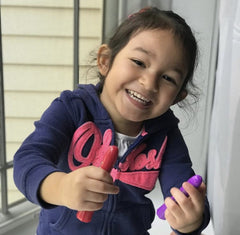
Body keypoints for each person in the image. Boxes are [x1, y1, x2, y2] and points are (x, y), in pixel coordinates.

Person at [13, 7, 210, 235]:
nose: (149, 83)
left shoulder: (165, 132)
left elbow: (183, 188)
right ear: (105, 61)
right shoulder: (71, 109)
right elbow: (26, 161)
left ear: (177, 97)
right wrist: (60, 187)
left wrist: (191, 220)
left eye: (168, 78)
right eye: (139, 62)